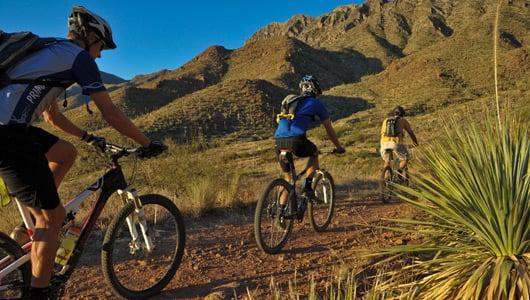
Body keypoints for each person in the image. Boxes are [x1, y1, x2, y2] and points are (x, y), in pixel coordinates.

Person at [0, 6, 165, 299]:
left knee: (65, 152)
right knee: (52, 218)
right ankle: (39, 291)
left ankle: (39, 221)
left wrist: (88, 137)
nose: (100, 55)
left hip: (14, 129)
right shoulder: (77, 57)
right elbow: (111, 112)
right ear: (89, 36)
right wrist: (146, 143)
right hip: (6, 134)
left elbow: (52, 118)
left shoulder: (50, 52)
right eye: (100, 46)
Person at [274, 75, 345, 214]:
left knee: (288, 178)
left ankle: (280, 213)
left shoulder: (290, 99)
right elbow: (329, 130)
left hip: (279, 141)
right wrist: (339, 147)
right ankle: (307, 188)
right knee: (314, 153)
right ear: (315, 89)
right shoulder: (316, 103)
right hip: (297, 141)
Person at [379, 105, 419, 176]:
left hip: (384, 144)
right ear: (402, 114)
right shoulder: (403, 120)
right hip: (395, 143)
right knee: (405, 159)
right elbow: (410, 133)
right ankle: (399, 173)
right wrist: (415, 142)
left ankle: (386, 179)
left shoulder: (385, 121)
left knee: (387, 161)